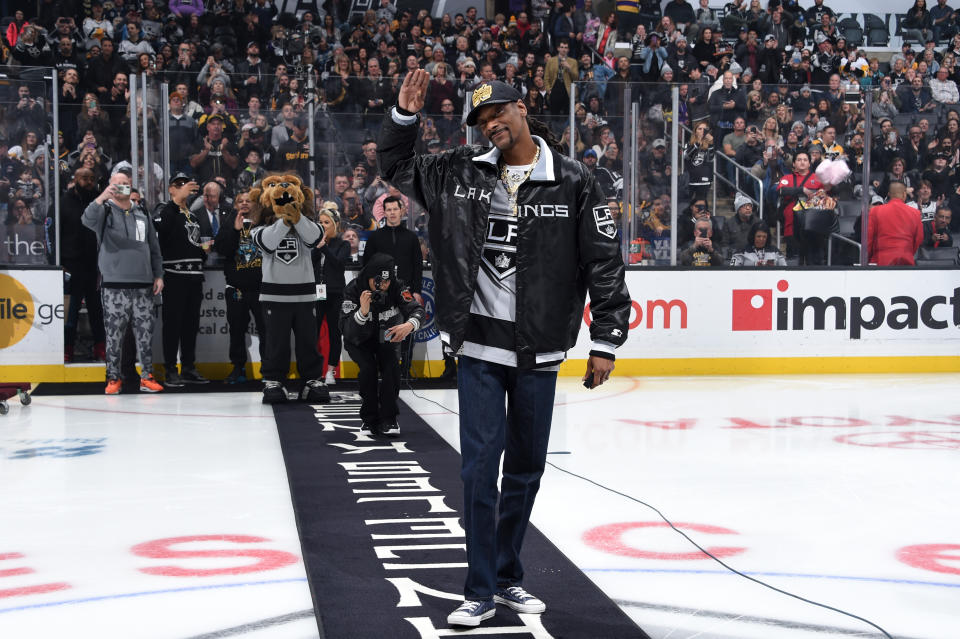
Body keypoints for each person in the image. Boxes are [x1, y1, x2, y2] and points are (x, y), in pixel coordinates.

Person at [379, 73, 631, 628]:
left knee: (525, 471)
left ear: (521, 108)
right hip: (478, 348)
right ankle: (479, 588)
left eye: (496, 112)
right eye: (479, 120)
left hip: (540, 350)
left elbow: (604, 264)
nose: (490, 124)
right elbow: (395, 167)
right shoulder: (456, 172)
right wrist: (403, 115)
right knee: (477, 472)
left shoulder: (578, 180)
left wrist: (607, 339)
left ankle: (508, 574)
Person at [82, 171, 165, 394]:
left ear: (131, 186)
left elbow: (153, 247)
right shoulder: (104, 211)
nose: (121, 187)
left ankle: (147, 376)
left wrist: (158, 275)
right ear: (110, 186)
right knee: (114, 336)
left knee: (146, 334)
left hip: (144, 284)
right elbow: (86, 219)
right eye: (116, 184)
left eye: (125, 184)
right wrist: (101, 197)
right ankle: (113, 379)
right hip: (114, 285)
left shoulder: (142, 212)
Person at [251, 177, 330, 405]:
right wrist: (286, 221)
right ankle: (274, 380)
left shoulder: (307, 224)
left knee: (308, 341)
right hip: (274, 296)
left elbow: (315, 238)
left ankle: (312, 380)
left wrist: (298, 217)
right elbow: (268, 242)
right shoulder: (259, 228)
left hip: (304, 296)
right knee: (276, 342)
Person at [340, 253, 424, 435]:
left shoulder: (397, 287)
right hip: (359, 340)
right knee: (368, 370)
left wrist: (410, 324)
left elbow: (417, 309)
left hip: (386, 338)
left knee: (392, 368)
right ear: (369, 276)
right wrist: (362, 313)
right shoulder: (353, 289)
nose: (383, 286)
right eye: (379, 281)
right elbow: (346, 330)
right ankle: (369, 418)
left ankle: (389, 418)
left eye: (387, 281)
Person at [154, 173, 210, 386]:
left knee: (190, 325)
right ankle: (170, 369)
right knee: (173, 324)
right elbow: (162, 235)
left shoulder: (193, 216)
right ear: (171, 189)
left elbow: (197, 243)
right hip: (175, 276)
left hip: (195, 277)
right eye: (179, 185)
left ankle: (188, 367)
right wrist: (177, 201)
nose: (184, 188)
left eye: (186, 184)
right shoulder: (165, 211)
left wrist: (205, 250)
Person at [362, 195, 424, 378]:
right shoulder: (375, 238)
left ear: (402, 210)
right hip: (382, 294)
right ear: (384, 212)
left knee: (406, 330)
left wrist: (417, 292)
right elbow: (366, 266)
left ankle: (405, 371)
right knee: (382, 333)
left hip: (406, 294)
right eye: (388, 210)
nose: (392, 213)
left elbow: (417, 266)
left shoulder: (412, 238)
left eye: (395, 209)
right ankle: (385, 370)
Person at [214, 188, 266, 384]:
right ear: (235, 205)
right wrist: (236, 231)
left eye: (249, 200)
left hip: (261, 289)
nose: (244, 203)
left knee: (266, 330)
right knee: (236, 329)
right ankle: (238, 368)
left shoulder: (264, 225)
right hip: (236, 289)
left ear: (256, 204)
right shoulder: (228, 224)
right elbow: (222, 249)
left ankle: (269, 369)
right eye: (240, 201)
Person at [60, 168, 105, 363]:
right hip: (70, 267)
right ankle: (67, 350)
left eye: (92, 179)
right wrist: (58, 263)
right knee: (70, 314)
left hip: (95, 266)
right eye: (85, 178)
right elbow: (52, 231)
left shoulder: (98, 201)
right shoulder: (63, 202)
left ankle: (100, 349)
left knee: (98, 312)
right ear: (76, 179)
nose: (89, 182)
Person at [312, 204, 351, 385]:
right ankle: (313, 371)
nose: (322, 225)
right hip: (317, 293)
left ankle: (330, 371)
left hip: (335, 293)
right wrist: (317, 247)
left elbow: (338, 264)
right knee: (312, 332)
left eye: (326, 222)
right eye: (320, 222)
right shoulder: (314, 244)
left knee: (335, 333)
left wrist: (324, 248)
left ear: (334, 225)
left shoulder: (342, 244)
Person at [868, 182, 924, 265]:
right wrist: (908, 253)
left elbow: (868, 239)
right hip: (906, 260)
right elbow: (919, 239)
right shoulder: (915, 213)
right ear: (904, 194)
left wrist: (868, 259)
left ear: (889, 194)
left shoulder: (875, 211)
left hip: (881, 260)